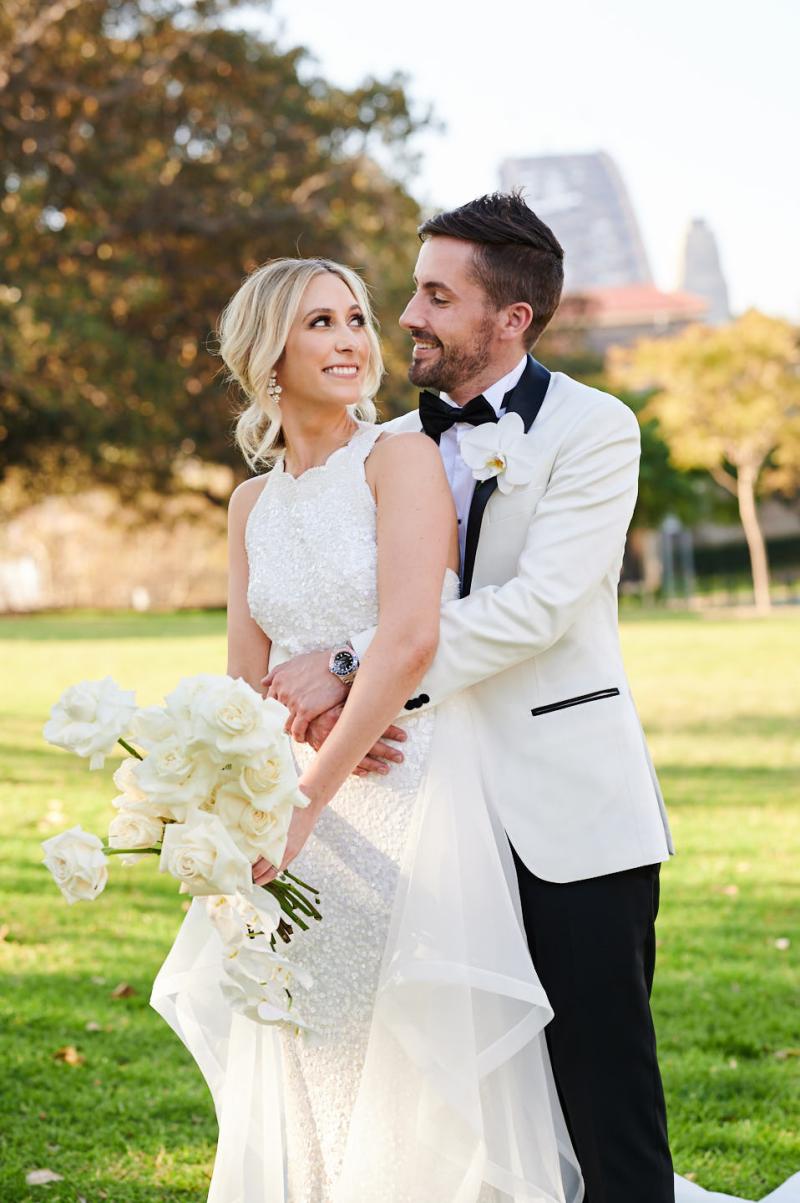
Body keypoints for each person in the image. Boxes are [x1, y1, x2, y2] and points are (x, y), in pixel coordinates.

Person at [260, 193, 677, 1203]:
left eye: (436, 298)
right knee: (453, 1096)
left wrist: (358, 668)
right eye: (411, 290)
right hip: (417, 811)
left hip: (565, 812)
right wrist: (331, 723)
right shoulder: (385, 447)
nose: (405, 316)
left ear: (510, 320)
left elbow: (535, 608)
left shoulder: (595, 429)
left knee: (600, 1085)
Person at [153, 252, 582, 1203]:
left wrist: (314, 789)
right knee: (308, 1035)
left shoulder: (399, 457)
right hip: (294, 807)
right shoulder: (249, 503)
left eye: (354, 319)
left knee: (410, 1050)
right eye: (320, 323)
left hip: (399, 785)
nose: (351, 339)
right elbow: (246, 677)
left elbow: (409, 637)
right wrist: (245, 798)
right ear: (267, 352)